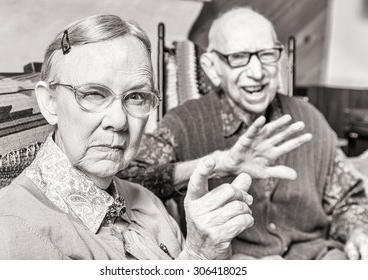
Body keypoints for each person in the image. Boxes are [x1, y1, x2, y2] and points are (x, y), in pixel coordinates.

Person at [0, 14, 255, 260]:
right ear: (49, 102)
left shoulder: (147, 202)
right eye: (94, 94)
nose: (120, 121)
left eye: (136, 97)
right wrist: (197, 259)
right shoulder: (12, 232)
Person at [119, 7, 368, 259]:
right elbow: (129, 178)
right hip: (234, 262)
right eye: (239, 57)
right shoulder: (183, 122)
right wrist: (215, 165)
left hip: (317, 259)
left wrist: (357, 232)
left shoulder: (310, 118)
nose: (257, 73)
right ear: (213, 67)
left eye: (267, 54)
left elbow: (349, 199)